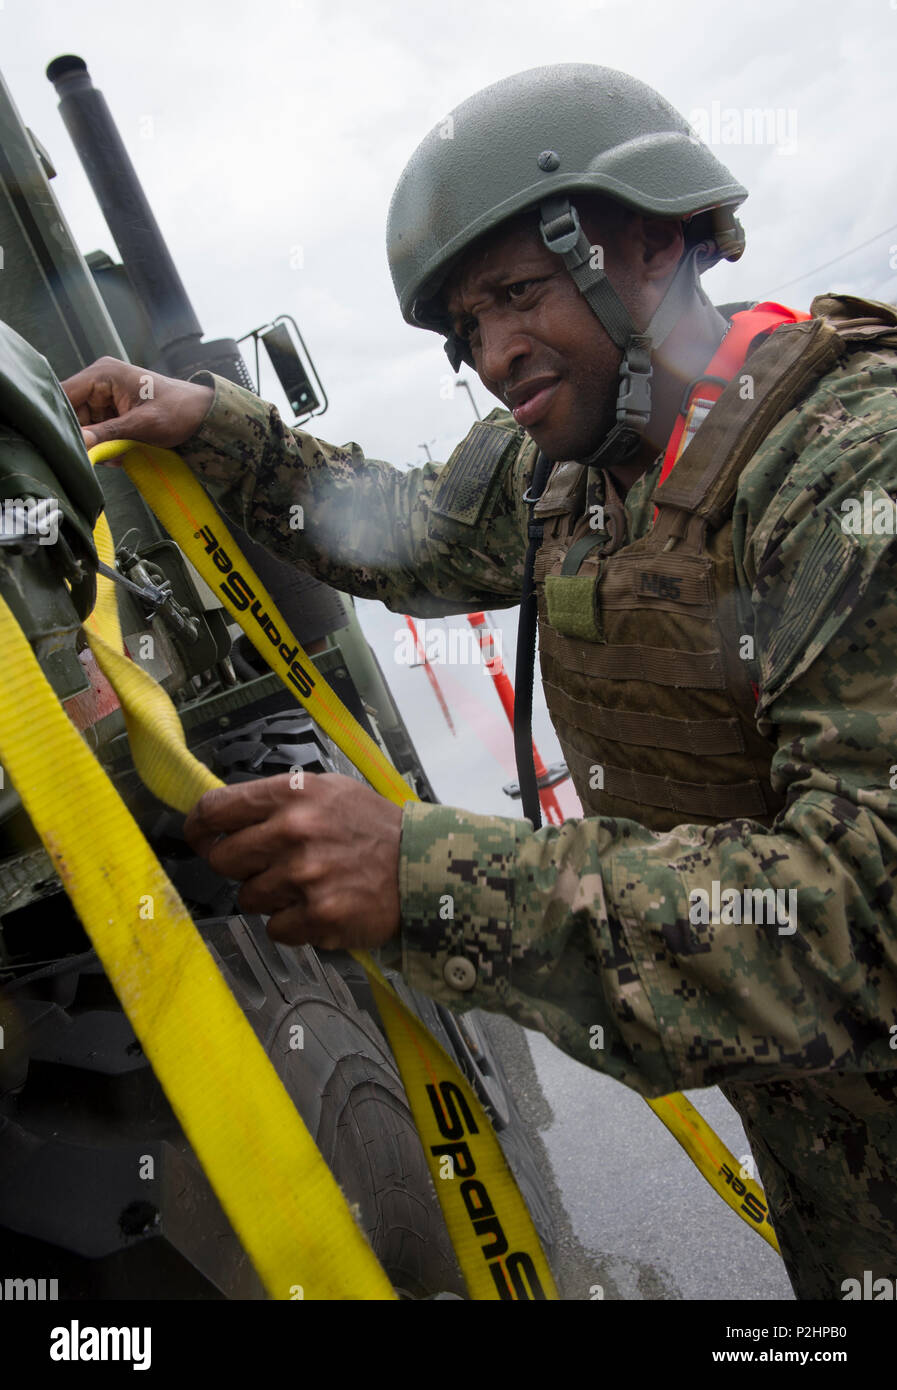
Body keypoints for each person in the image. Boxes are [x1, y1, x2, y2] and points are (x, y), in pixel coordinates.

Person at [62, 64, 897, 1301]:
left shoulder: (848, 467)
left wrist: (421, 876)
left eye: (518, 294)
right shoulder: (571, 466)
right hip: (818, 1126)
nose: (496, 352)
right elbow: (395, 529)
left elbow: (864, 915)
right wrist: (212, 422)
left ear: (654, 239)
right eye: (468, 331)